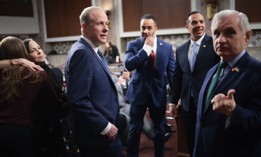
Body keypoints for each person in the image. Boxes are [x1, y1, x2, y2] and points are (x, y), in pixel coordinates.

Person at [193, 10, 261, 157]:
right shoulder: (212, 71)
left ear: (247, 37)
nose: (220, 40)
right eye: (216, 33)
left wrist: (235, 111)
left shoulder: (257, 72)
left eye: (229, 32)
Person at [65, 6, 122, 157]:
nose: (106, 29)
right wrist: (105, 127)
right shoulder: (82, 53)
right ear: (84, 27)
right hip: (96, 136)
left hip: (103, 133)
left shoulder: (93, 50)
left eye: (107, 24)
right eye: (99, 24)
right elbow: (77, 99)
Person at [168, 11, 220, 156]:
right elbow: (177, 77)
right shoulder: (180, 50)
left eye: (201, 22)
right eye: (194, 22)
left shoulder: (214, 44)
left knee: (209, 138)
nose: (199, 25)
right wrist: (172, 101)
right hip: (187, 105)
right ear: (187, 27)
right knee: (191, 139)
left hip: (207, 102)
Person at [0, 36, 62, 157]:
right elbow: (53, 106)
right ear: (24, 53)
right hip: (26, 135)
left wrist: (15, 62)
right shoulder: (37, 73)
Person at [124, 14, 175, 157]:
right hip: (138, 92)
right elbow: (129, 64)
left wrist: (173, 99)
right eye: (143, 28)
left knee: (159, 130)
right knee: (134, 129)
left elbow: (172, 75)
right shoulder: (133, 45)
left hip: (158, 94)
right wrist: (146, 49)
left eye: (149, 28)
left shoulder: (166, 47)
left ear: (156, 29)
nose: (145, 31)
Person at [23, 39, 71, 157]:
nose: (39, 52)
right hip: (41, 128)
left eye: (39, 48)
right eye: (33, 50)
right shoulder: (26, 77)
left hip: (61, 123)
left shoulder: (55, 72)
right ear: (25, 56)